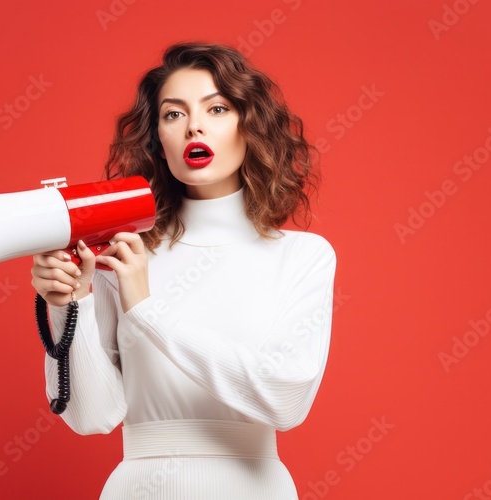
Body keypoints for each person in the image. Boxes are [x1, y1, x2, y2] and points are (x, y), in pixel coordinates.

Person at [30, 41, 337, 499]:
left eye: (216, 109)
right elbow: (93, 416)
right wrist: (68, 305)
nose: (194, 125)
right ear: (159, 139)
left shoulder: (303, 256)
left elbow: (286, 400)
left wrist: (147, 311)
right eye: (174, 114)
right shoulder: (122, 255)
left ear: (249, 127)